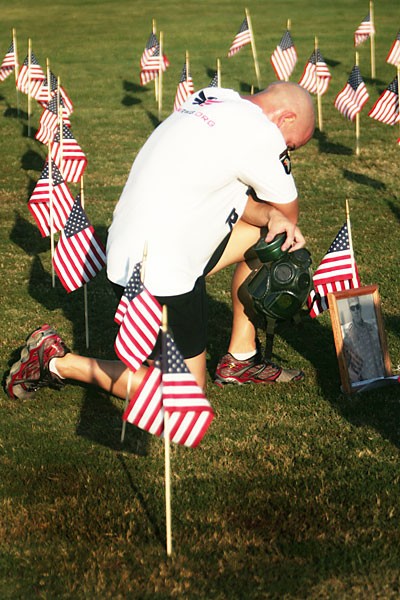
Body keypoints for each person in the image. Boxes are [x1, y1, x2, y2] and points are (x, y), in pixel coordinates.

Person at [4, 81, 315, 401]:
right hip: (160, 270)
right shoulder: (260, 131)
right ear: (286, 118)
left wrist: (269, 217)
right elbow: (288, 214)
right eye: (291, 147)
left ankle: (241, 358)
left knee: (267, 237)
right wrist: (276, 215)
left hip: (141, 245)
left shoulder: (211, 99)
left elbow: (245, 203)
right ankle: (55, 361)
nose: (287, 153)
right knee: (182, 397)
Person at [342, 297, 385, 383]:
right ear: (350, 311)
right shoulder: (349, 337)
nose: (356, 311)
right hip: (364, 380)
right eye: (352, 308)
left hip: (381, 374)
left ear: (360, 308)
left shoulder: (371, 328)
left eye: (357, 307)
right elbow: (349, 364)